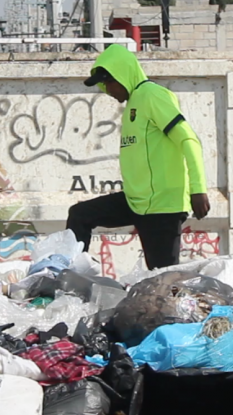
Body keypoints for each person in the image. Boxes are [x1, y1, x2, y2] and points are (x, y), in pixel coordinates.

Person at [66, 44, 210, 269]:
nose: (107, 89)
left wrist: (198, 189)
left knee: (162, 279)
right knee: (80, 215)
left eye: (109, 82)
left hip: (162, 207)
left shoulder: (152, 96)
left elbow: (189, 140)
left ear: (125, 74)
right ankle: (73, 274)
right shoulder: (133, 103)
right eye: (102, 84)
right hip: (136, 201)